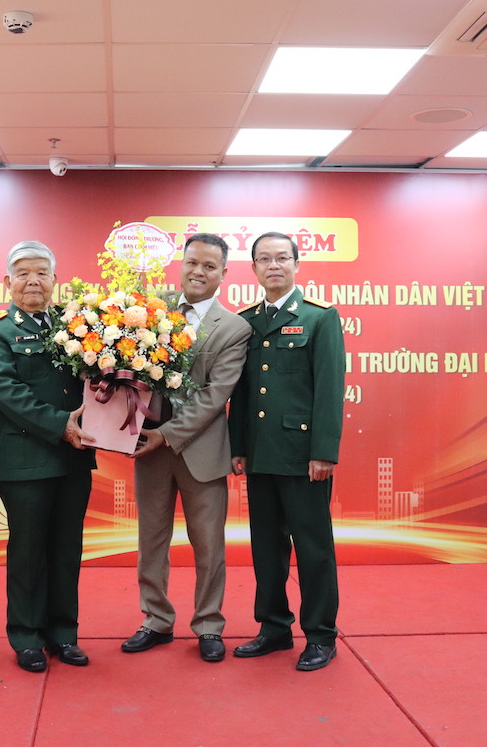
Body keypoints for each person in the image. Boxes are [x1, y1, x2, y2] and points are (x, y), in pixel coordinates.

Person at [123, 234, 251, 662]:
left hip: (202, 452)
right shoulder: (148, 311)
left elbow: (215, 396)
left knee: (209, 546)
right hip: (150, 450)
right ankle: (156, 619)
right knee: (151, 540)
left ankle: (209, 625)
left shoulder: (234, 328)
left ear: (223, 273)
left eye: (209, 266)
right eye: (192, 262)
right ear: (181, 264)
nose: (198, 272)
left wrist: (168, 433)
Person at [0, 240, 97, 673]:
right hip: (25, 460)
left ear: (54, 280)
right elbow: (6, 391)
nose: (33, 281)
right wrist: (61, 424)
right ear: (7, 282)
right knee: (27, 552)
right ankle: (26, 636)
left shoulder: (78, 325)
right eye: (23, 273)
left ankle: (63, 634)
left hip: (74, 459)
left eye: (42, 273)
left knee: (67, 549)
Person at [229, 231, 346, 672]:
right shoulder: (246, 321)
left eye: (282, 258)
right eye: (264, 259)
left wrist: (324, 452)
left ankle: (321, 635)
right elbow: (241, 393)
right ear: (254, 269)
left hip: (303, 457)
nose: (273, 265)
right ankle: (274, 627)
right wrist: (238, 447)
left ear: (296, 265)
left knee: (313, 549)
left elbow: (329, 389)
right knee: (266, 547)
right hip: (260, 455)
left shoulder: (319, 317)